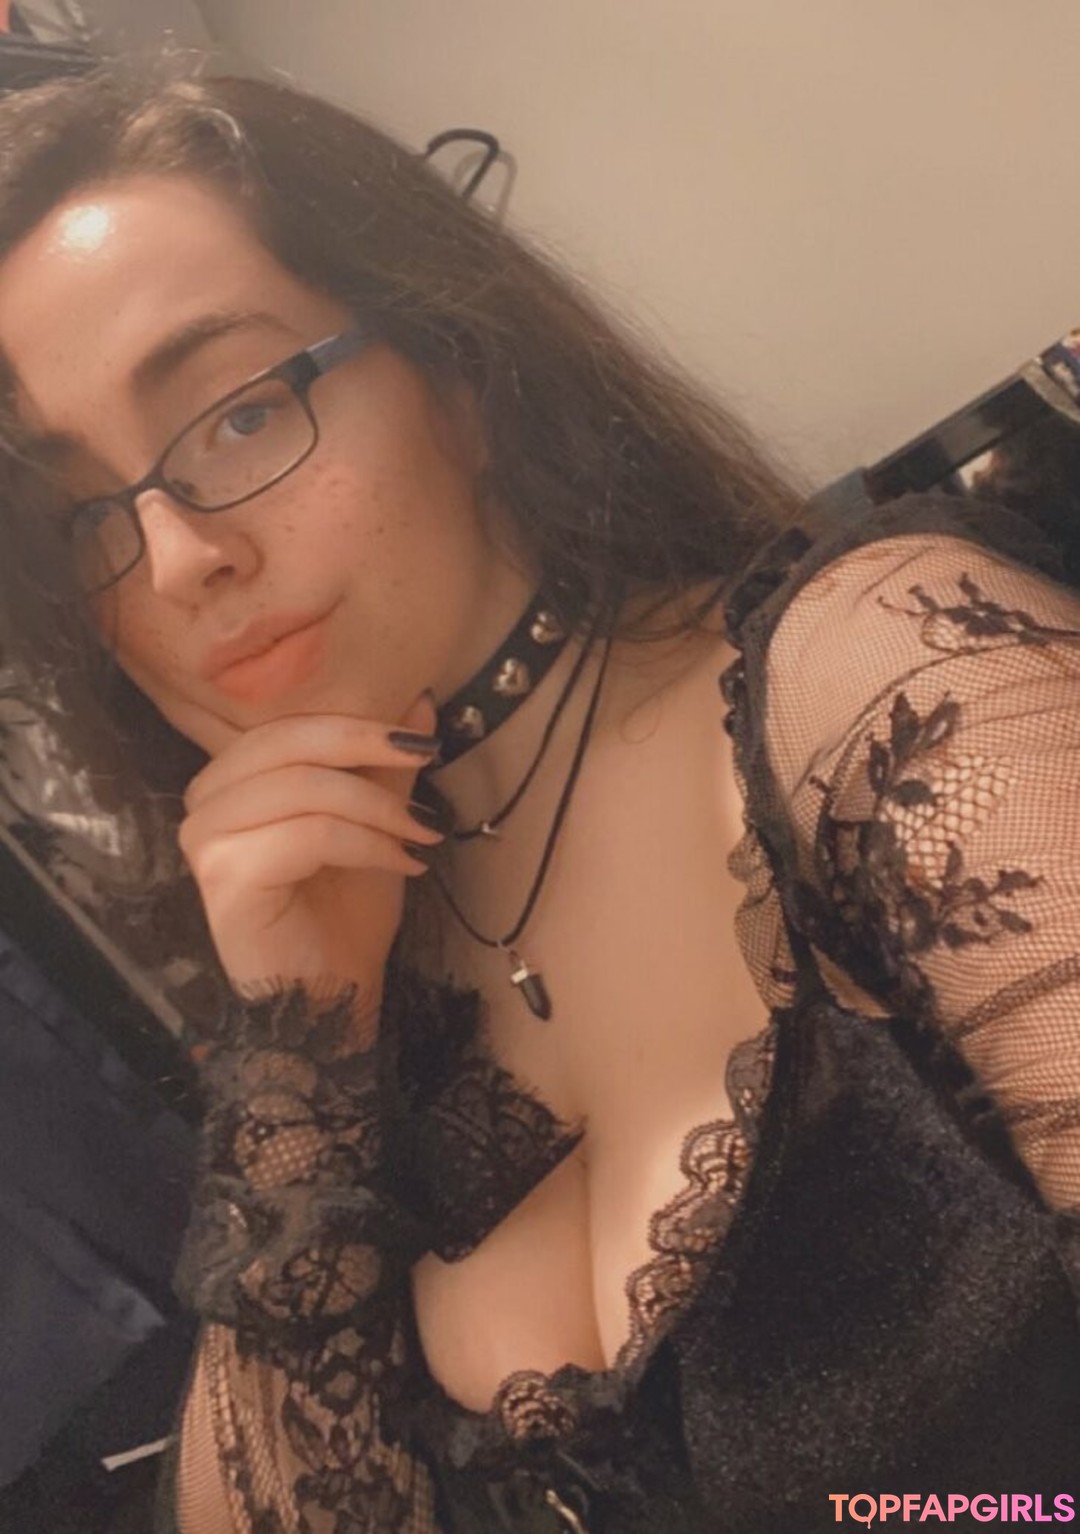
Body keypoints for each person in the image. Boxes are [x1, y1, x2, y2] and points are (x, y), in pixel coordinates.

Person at [0, 62, 1077, 1534]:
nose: (180, 560)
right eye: (84, 514)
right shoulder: (353, 978)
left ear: (460, 374)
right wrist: (293, 1046)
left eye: (239, 415)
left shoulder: (881, 680)